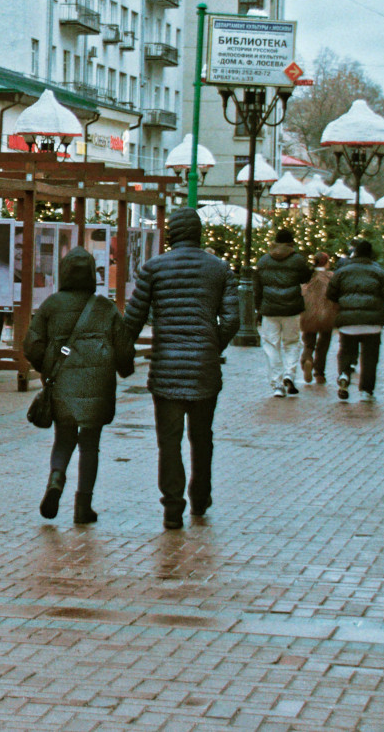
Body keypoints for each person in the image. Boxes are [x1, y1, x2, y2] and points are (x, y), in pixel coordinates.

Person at [117, 208, 240, 531]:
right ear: (198, 233)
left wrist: (121, 358)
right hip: (204, 370)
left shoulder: (154, 268)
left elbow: (132, 320)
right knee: (202, 437)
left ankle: (172, 508)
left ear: (171, 234)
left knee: (169, 442)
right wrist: (212, 346)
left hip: (166, 369)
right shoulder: (219, 269)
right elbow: (232, 320)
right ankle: (200, 497)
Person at [25, 247, 133, 526]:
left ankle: (56, 478)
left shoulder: (51, 305)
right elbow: (123, 348)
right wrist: (125, 369)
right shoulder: (105, 307)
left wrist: (47, 368)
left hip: (62, 383)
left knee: (64, 438)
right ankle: (83, 506)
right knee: (90, 445)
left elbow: (32, 344)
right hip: (98, 385)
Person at [326, 238, 384, 403]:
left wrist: (343, 303)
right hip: (372, 322)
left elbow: (330, 293)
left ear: (355, 253)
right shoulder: (379, 272)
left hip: (348, 321)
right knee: (370, 357)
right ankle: (366, 390)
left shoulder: (343, 271)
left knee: (346, 351)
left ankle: (344, 374)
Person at [254, 229, 313, 397]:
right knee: (292, 343)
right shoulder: (297, 260)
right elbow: (305, 278)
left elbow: (257, 288)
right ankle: (289, 374)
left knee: (271, 345)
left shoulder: (264, 260)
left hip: (270, 309)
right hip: (291, 308)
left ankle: (277, 384)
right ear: (291, 243)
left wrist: (259, 308)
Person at [299, 251, 337, 384]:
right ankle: (319, 373)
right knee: (323, 344)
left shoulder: (308, 276)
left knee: (308, 343)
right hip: (326, 313)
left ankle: (307, 359)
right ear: (326, 262)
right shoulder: (331, 276)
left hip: (309, 313)